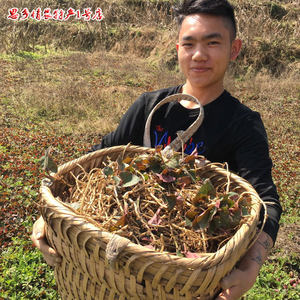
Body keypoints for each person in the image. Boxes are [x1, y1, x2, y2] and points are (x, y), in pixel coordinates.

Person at [31, 0, 282, 299]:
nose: (199, 55)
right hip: (109, 269)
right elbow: (95, 161)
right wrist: (49, 216)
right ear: (178, 49)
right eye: (189, 44)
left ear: (234, 49)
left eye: (213, 42)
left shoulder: (242, 124)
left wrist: (251, 267)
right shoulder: (149, 107)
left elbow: (266, 202)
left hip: (182, 277)